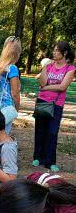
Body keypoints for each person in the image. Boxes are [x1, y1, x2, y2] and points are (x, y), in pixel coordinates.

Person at [33, 41, 75, 172]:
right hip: (42, 101)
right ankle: (37, 157)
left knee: (52, 132)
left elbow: (62, 87)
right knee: (40, 130)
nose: (54, 52)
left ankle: (50, 161)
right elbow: (42, 81)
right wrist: (44, 68)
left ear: (65, 53)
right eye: (54, 50)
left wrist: (46, 87)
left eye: (57, 50)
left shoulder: (70, 69)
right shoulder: (49, 65)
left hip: (56, 104)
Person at [0, 36, 21, 154]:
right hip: (6, 108)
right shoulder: (13, 69)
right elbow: (15, 93)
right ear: (17, 52)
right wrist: (17, 108)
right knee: (1, 137)